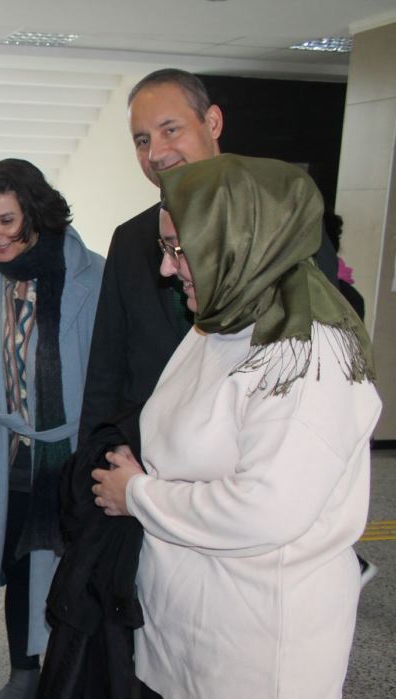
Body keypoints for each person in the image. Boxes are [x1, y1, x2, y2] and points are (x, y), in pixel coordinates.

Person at [91, 155, 381, 699]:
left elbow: (264, 509)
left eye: (180, 249)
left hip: (253, 645)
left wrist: (137, 494)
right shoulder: (216, 324)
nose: (169, 270)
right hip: (182, 629)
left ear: (239, 239)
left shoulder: (310, 354)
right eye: (166, 249)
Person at [79, 68, 337, 442]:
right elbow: (107, 367)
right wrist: (96, 460)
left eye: (171, 130)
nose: (156, 153)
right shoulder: (131, 240)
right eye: (141, 139)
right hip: (141, 457)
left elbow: (311, 352)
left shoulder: (282, 224)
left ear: (212, 122)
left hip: (248, 449)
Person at [0, 159, 103, 699]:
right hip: (9, 450)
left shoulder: (90, 275)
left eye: (6, 222)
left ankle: (76, 685)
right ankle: (24, 676)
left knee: (74, 568)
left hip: (69, 453)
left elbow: (105, 370)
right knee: (19, 561)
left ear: (36, 216)